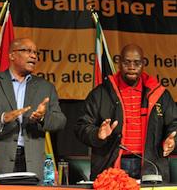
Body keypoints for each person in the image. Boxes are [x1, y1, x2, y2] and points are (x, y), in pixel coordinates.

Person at [0, 38, 66, 180]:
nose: (33, 56)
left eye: (35, 52)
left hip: (33, 162)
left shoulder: (45, 87)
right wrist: (1, 118)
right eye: (27, 51)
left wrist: (42, 118)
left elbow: (60, 121)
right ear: (12, 55)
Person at [74, 44, 177, 182]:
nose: (132, 67)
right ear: (119, 63)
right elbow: (81, 126)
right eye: (126, 62)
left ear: (143, 64)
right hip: (111, 166)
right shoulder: (101, 93)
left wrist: (172, 141)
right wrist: (97, 134)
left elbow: (174, 124)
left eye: (137, 63)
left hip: (149, 165)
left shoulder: (159, 94)